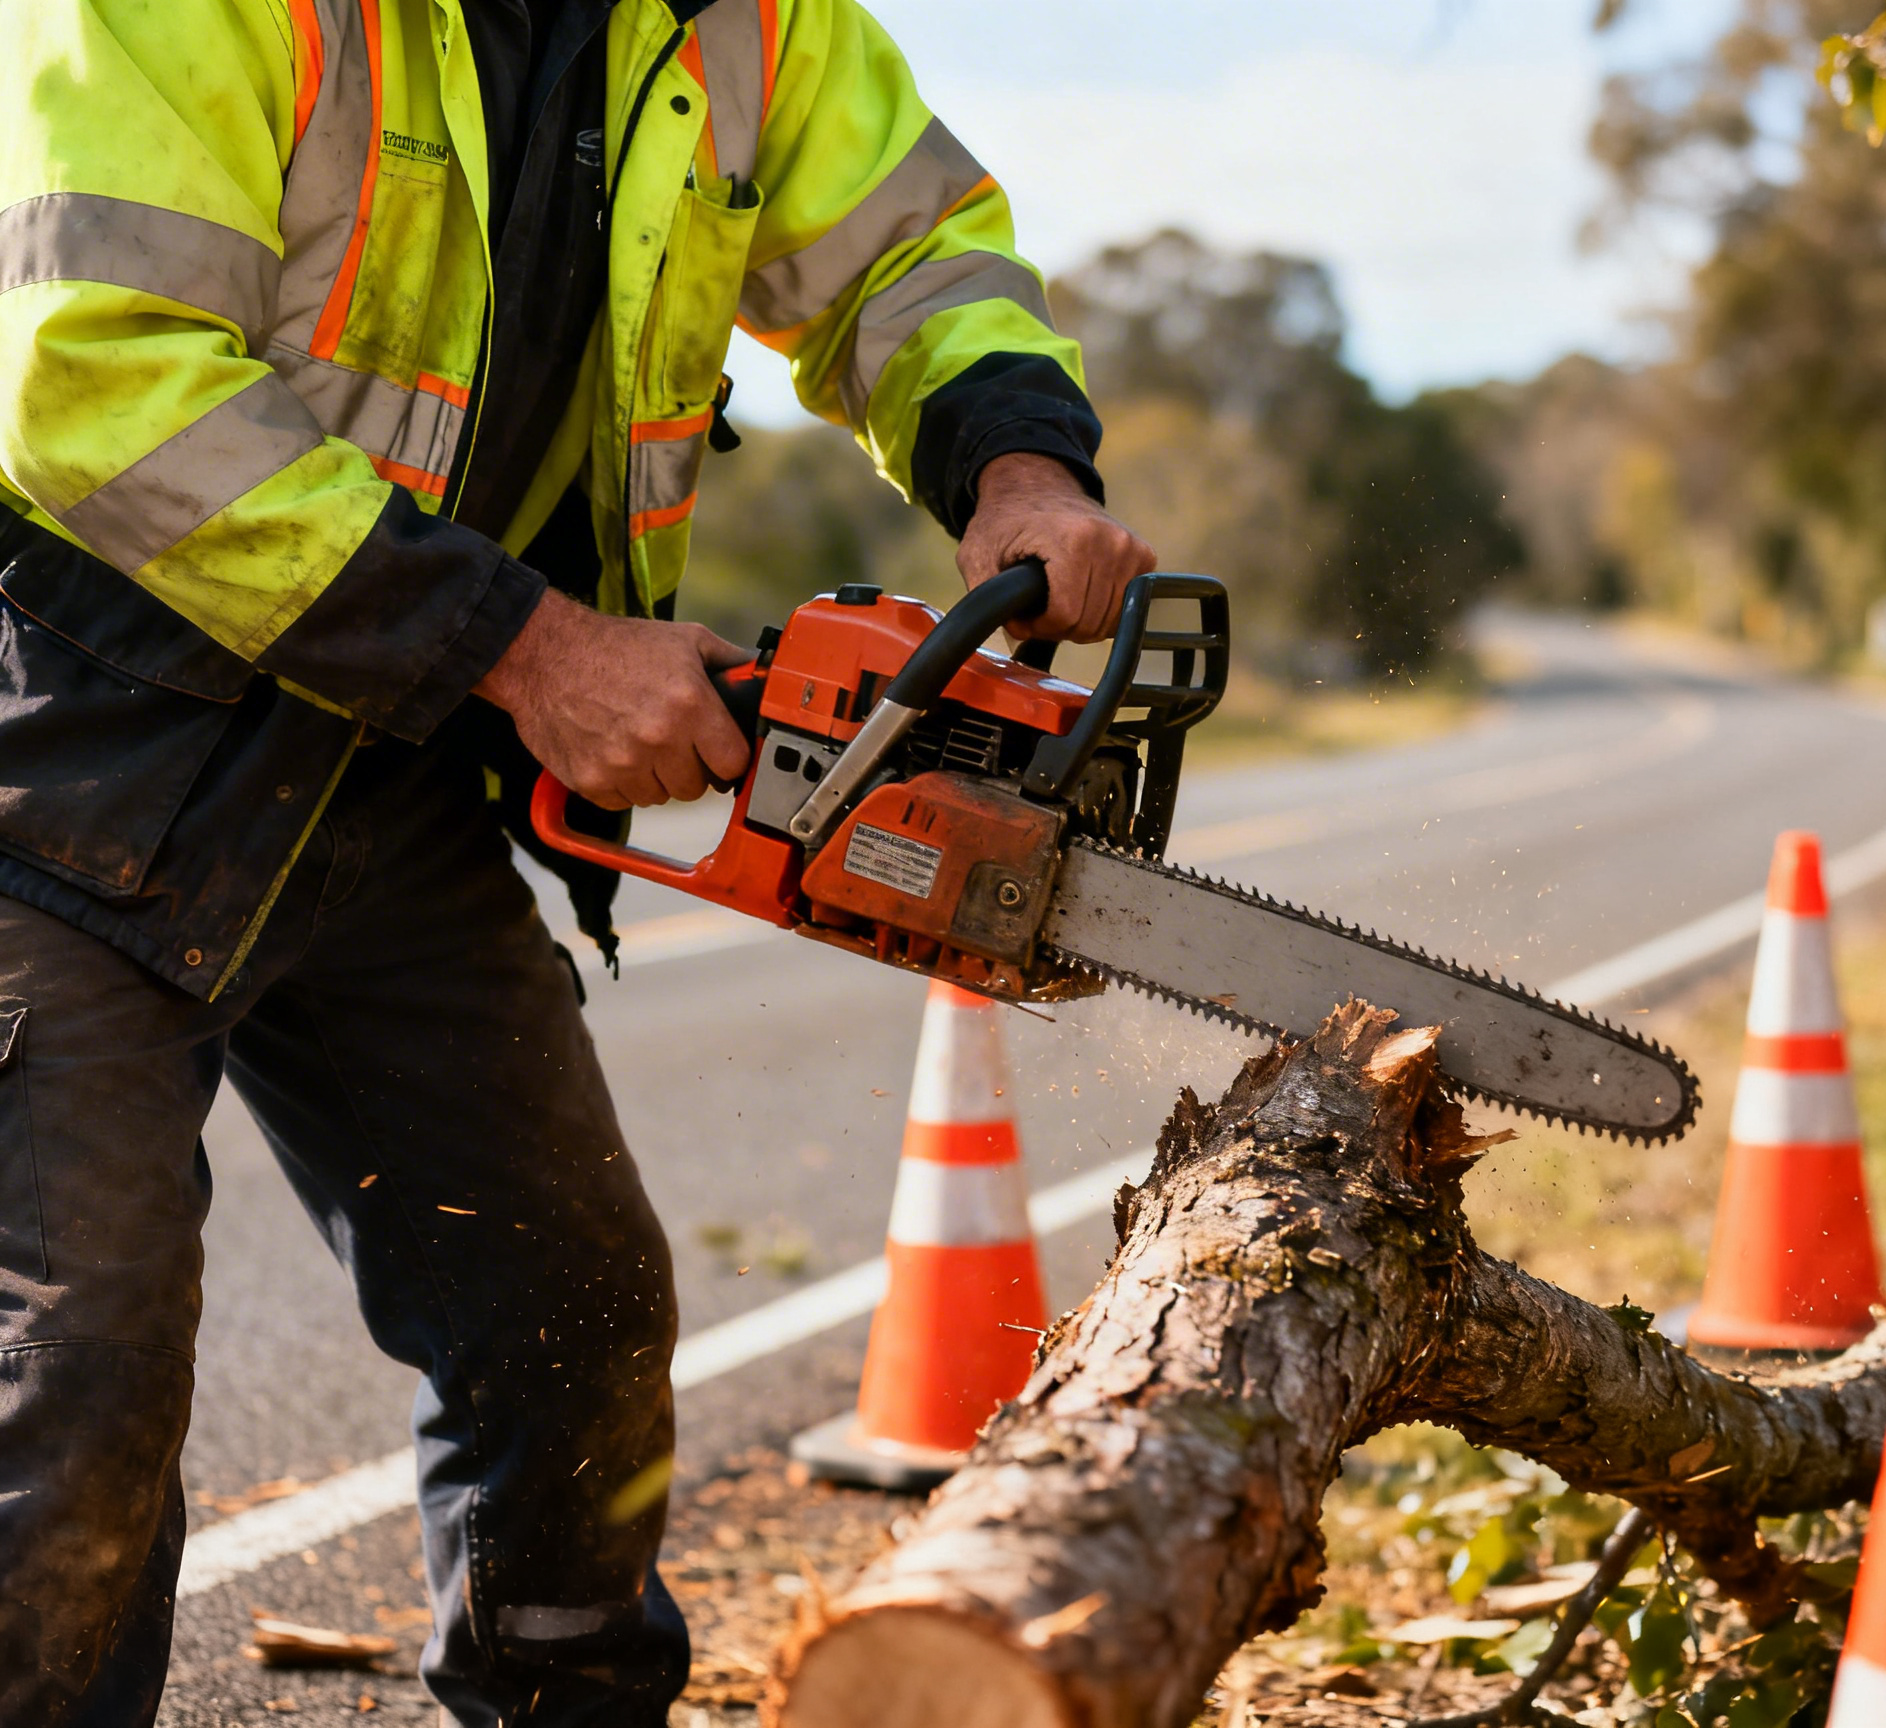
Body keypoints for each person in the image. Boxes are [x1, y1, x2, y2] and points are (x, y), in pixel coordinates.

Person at [0, 2, 1156, 1722]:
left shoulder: (744, 20)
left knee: (569, 1318)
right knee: (74, 1384)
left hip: (389, 773)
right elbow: (88, 380)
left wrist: (1020, 459)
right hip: (79, 759)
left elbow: (904, 253)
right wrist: (530, 650)